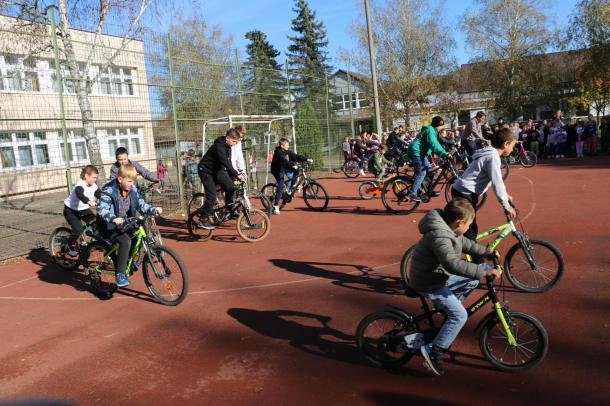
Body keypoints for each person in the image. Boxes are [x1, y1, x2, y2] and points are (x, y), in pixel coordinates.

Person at [409, 198, 502, 376]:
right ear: (459, 222)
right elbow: (452, 264)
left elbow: (465, 243)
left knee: (471, 281)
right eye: (468, 225)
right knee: (460, 315)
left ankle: (448, 311)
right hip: (429, 281)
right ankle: (433, 351)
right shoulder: (441, 236)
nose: (468, 228)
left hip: (436, 275)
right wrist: (483, 271)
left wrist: (485, 252)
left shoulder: (451, 229)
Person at [451, 128, 517, 254]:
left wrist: (505, 195)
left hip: (464, 191)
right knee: (470, 230)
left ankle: (468, 253)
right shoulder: (493, 157)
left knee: (470, 229)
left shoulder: (490, 153)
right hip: (465, 193)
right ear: (506, 144)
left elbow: (495, 180)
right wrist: (506, 205)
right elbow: (497, 181)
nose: (513, 150)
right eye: (512, 146)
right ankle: (478, 264)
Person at [97, 164, 162, 287]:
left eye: (134, 181)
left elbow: (141, 204)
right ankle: (120, 274)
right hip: (108, 225)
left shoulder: (132, 189)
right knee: (125, 240)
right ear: (120, 179)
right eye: (129, 181)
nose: (132, 184)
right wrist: (113, 218)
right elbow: (102, 209)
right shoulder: (109, 190)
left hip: (125, 223)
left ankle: (126, 259)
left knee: (137, 234)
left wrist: (153, 209)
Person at [197, 128, 245, 229]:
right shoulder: (218, 146)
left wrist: (234, 177)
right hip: (206, 171)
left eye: (236, 142)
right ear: (227, 138)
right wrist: (237, 174)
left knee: (231, 187)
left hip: (217, 170)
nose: (235, 144)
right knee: (212, 196)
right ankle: (203, 220)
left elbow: (229, 163)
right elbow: (225, 162)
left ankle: (229, 210)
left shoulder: (228, 146)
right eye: (234, 141)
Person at [406, 116, 448, 202]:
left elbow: (435, 144)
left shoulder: (433, 131)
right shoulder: (430, 131)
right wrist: (444, 153)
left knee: (431, 170)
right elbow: (433, 144)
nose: (442, 128)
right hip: (416, 152)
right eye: (441, 126)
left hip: (422, 153)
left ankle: (428, 190)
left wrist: (443, 152)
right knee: (422, 173)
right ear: (437, 125)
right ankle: (412, 193)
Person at [63, 165, 101, 257]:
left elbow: (100, 194)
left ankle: (96, 242)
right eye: (93, 177)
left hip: (83, 209)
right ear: (86, 176)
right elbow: (80, 195)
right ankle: (69, 245)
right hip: (71, 210)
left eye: (96, 178)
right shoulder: (80, 185)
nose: (95, 180)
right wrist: (88, 201)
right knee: (78, 229)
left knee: (96, 222)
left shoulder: (94, 185)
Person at [270, 138, 312, 215]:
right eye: (287, 145)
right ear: (282, 146)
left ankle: (290, 189)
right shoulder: (278, 153)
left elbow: (295, 156)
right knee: (281, 186)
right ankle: (275, 206)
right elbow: (284, 161)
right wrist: (292, 166)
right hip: (277, 170)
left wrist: (306, 159)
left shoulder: (286, 151)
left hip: (284, 167)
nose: (288, 146)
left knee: (297, 171)